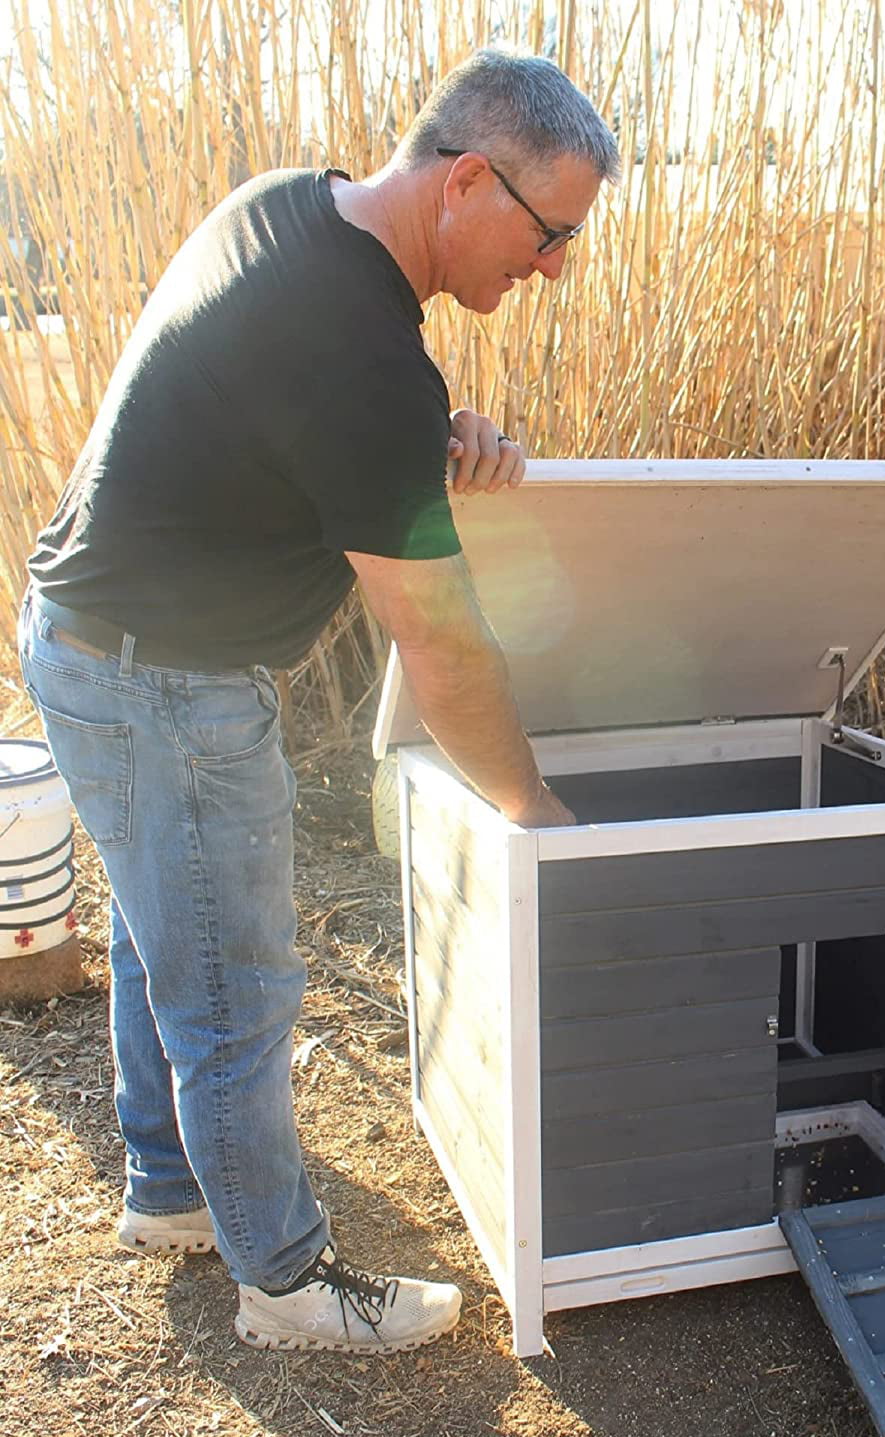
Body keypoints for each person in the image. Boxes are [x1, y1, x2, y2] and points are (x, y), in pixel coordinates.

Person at [18, 48, 619, 1356]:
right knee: (234, 990)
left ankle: (174, 1192)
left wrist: (429, 437)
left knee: (153, 930)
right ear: (468, 181)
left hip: (92, 644)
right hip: (159, 681)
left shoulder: (297, 207)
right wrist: (535, 809)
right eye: (551, 233)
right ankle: (286, 1291)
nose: (556, 267)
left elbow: (293, 420)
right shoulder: (361, 360)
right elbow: (447, 654)